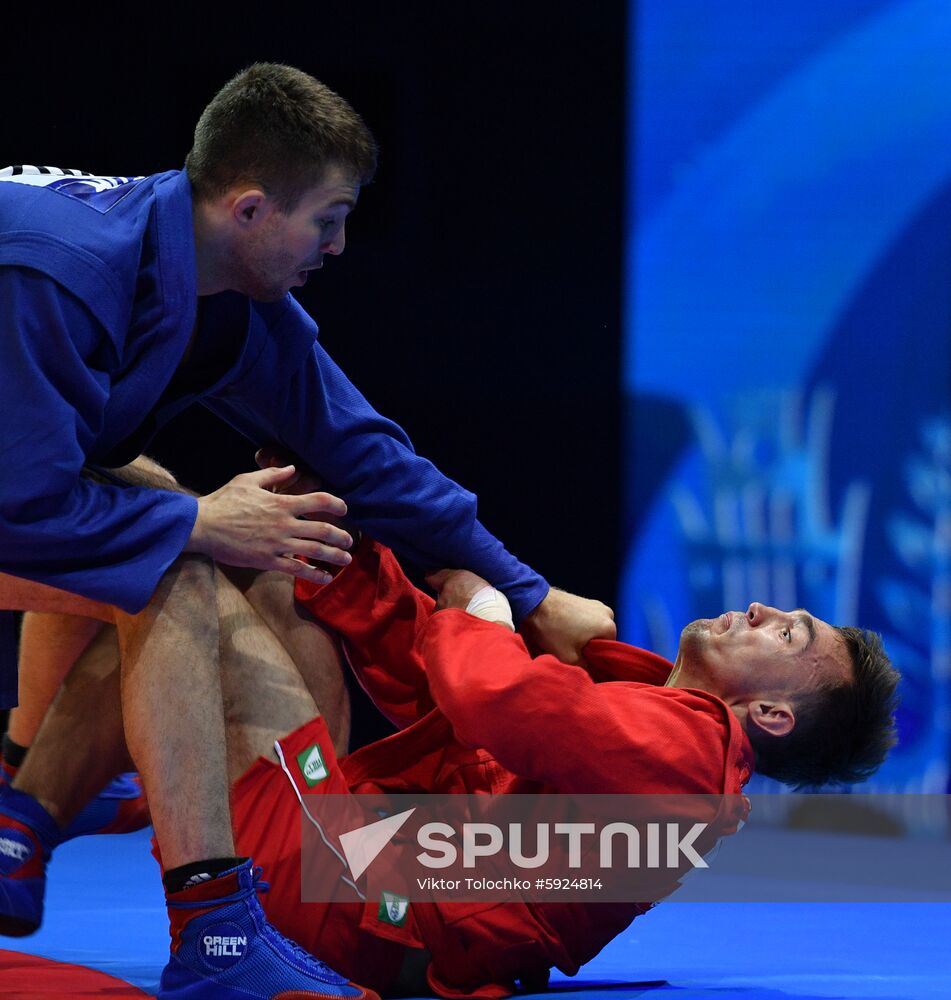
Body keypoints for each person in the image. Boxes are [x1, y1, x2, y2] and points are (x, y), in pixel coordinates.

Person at [0, 63, 614, 998]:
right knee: (180, 561)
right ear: (249, 209)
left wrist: (530, 593)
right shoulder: (61, 273)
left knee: (149, 500)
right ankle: (213, 935)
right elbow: (21, 511)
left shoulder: (221, 298)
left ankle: (20, 811)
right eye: (326, 218)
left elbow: (369, 457)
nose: (337, 245)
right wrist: (199, 521)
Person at [0, 467, 900, 998]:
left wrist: (484, 608)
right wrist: (344, 551)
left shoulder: (689, 754)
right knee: (280, 569)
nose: (760, 608)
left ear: (771, 715)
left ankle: (31, 810)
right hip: (365, 871)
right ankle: (81, 782)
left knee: (161, 529)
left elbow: (491, 697)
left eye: (788, 634)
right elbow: (438, 686)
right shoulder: (645, 708)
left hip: (353, 899)